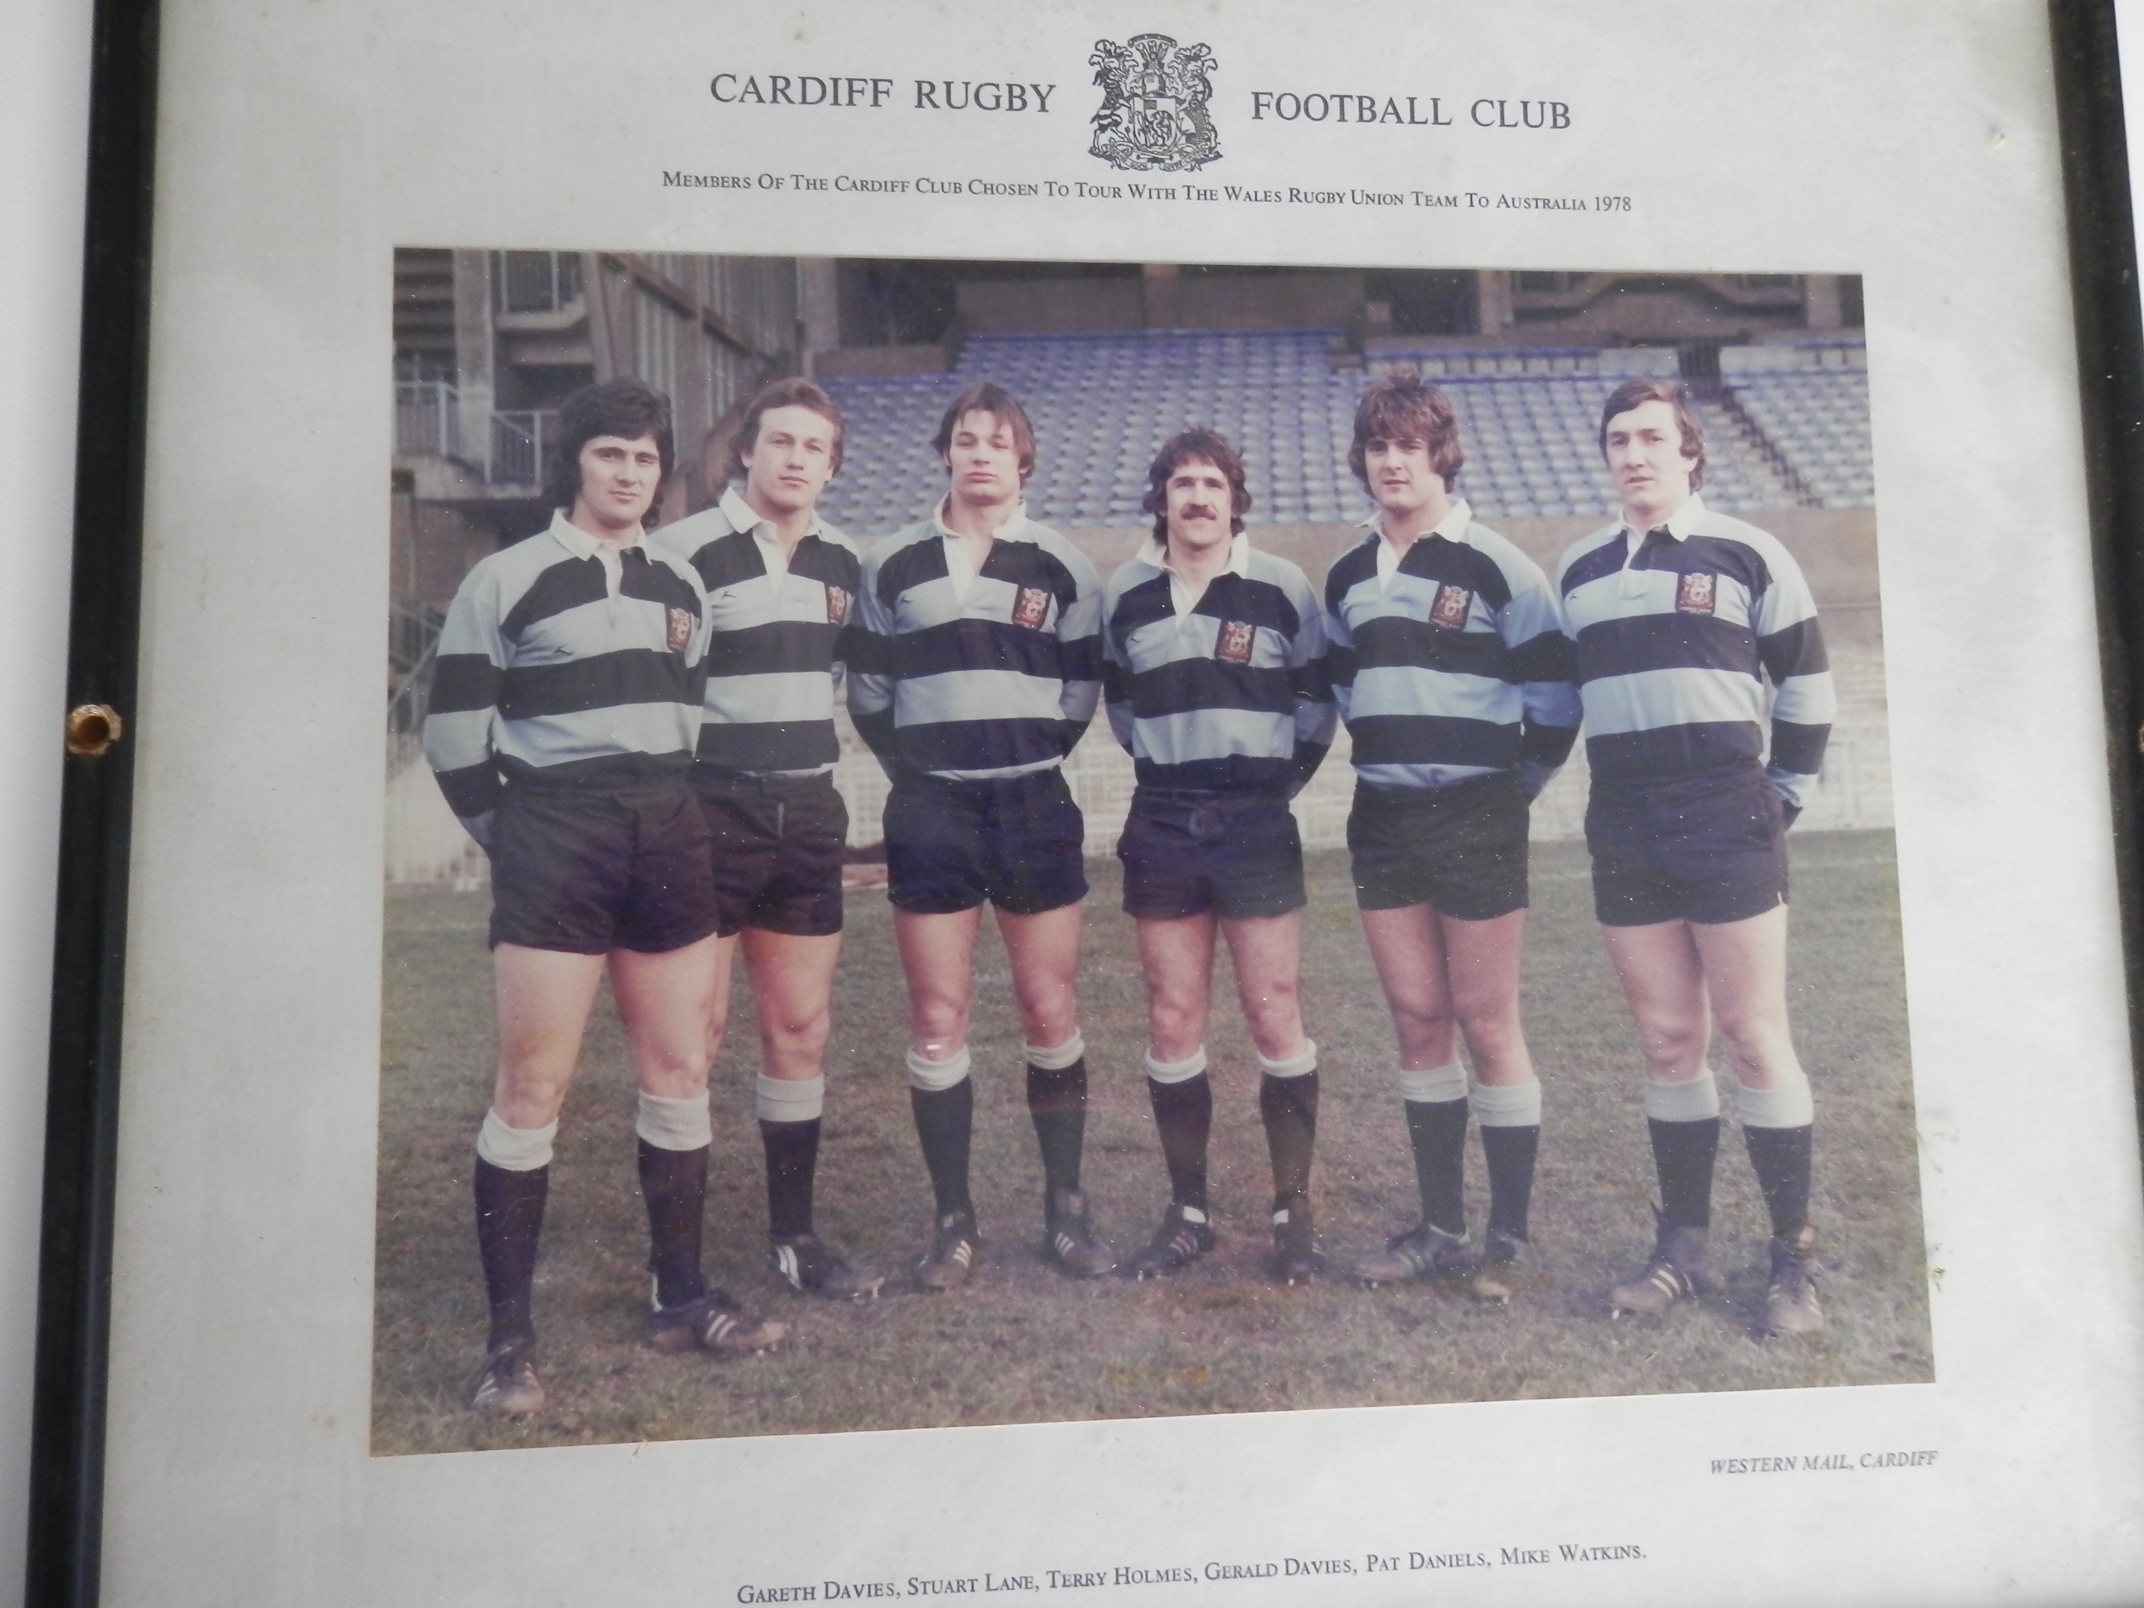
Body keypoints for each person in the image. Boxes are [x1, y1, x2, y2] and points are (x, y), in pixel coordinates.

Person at [424, 378, 786, 1418]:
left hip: (666, 828)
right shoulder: (506, 579)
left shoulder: (683, 582)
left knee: (679, 1071)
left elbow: (692, 711)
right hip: (554, 831)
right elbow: (454, 743)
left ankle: (679, 1297)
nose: (627, 474)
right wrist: (529, 841)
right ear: (573, 464)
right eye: (608, 456)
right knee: (531, 1090)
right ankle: (507, 1343)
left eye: (643, 458)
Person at [1556, 377, 1833, 1336]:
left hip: (1726, 811)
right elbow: (1559, 704)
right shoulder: (1581, 571)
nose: (1634, 454)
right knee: (1670, 1040)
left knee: (1754, 1035)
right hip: (1624, 816)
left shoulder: (1751, 552)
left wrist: (1779, 798)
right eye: (1618, 439)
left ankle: (1793, 1261)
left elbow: (1805, 686)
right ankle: (1684, 1248)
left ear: (1689, 453)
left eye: (1651, 438)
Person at [847, 381, 1116, 1288]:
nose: (980, 454)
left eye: (998, 442)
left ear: (1023, 458)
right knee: (937, 1018)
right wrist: (932, 766)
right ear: (946, 453)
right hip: (931, 809)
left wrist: (1018, 750)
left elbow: (1079, 697)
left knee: (1050, 1009)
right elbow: (872, 699)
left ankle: (1066, 1211)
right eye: (965, 439)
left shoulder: (1065, 567)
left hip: (1033, 804)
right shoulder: (891, 563)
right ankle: (953, 1221)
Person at [1322, 372, 1580, 1301]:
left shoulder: (1500, 565)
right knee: (1418, 1021)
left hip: (1479, 810)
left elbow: (1555, 699)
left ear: (1442, 456)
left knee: (1486, 1019)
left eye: (1410, 446)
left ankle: (1506, 1238)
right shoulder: (1348, 574)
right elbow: (1347, 689)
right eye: (1378, 446)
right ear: (1363, 459)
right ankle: (1438, 1226)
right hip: (1383, 814)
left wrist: (1511, 788)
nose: (1393, 461)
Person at [650, 378, 881, 1300]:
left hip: (807, 809)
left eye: (814, 447)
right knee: (692, 1035)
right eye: (779, 441)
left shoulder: (843, 562)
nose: (795, 459)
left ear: (831, 465)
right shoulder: (681, 552)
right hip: (708, 813)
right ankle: (680, 1267)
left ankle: (795, 1237)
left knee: (798, 1028)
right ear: (745, 451)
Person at [1101, 430, 1336, 1284]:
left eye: (1212, 484)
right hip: (1163, 814)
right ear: (1159, 500)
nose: (1197, 498)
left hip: (1255, 817)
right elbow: (1122, 709)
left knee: (1275, 1011)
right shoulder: (1123, 593)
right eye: (1180, 484)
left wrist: (1264, 784)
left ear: (1236, 500)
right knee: (1172, 1015)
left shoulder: (1283, 588)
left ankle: (1292, 1210)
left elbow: (1314, 708)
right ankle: (1188, 1211)